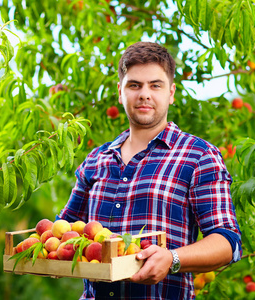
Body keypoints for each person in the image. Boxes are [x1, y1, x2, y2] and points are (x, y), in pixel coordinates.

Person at [58, 41, 242, 299]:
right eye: (134, 85)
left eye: (155, 85)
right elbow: (63, 228)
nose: (144, 94)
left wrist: (173, 258)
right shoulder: (95, 160)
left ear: (171, 93)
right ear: (120, 92)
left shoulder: (198, 156)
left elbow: (227, 242)